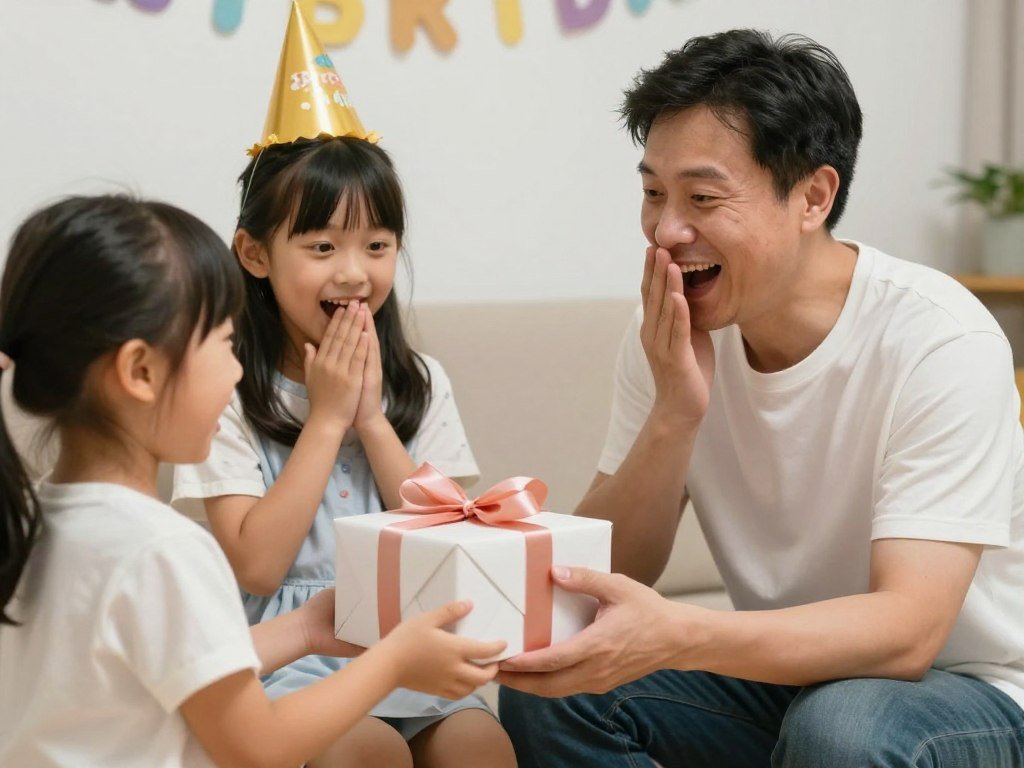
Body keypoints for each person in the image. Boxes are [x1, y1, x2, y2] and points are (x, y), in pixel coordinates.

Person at [497, 28, 1024, 767]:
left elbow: (910, 631)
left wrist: (683, 633)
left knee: (844, 726)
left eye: (703, 197)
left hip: (967, 693)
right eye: (653, 193)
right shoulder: (667, 330)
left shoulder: (939, 339)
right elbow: (609, 574)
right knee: (555, 681)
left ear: (813, 196)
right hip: (786, 676)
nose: (666, 230)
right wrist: (674, 415)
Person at [0, 195, 504, 767]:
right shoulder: (161, 551)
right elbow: (259, 747)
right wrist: (393, 660)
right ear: (141, 371)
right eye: (221, 341)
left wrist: (307, 629)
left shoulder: (30, 523)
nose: (239, 368)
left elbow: (163, 665)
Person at [171, 9, 516, 763]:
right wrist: (326, 420)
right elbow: (257, 566)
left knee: (482, 746)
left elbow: (454, 544)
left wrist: (372, 422)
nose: (354, 272)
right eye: (322, 245)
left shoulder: (420, 382)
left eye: (377, 245)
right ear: (255, 255)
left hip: (411, 643)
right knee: (370, 754)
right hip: (292, 663)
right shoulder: (225, 387)